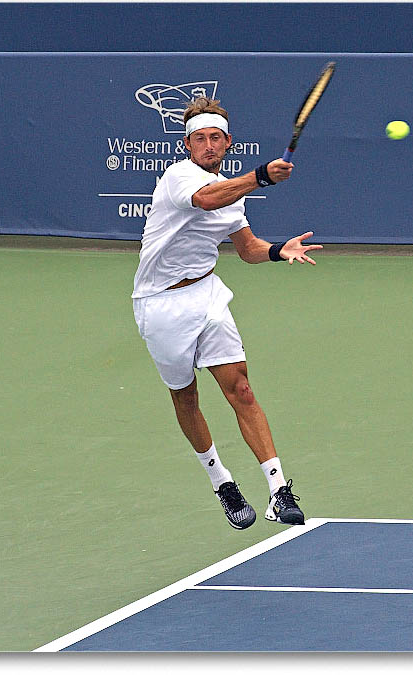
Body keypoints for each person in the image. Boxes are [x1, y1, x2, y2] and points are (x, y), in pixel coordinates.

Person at [131, 97, 322, 529]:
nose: (208, 145)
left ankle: (278, 491)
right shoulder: (180, 177)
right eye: (199, 138)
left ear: (228, 142)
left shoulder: (234, 194)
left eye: (215, 138)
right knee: (186, 397)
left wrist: (277, 251)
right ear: (187, 145)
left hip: (207, 296)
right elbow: (206, 199)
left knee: (241, 390)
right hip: (159, 304)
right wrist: (260, 177)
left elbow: (247, 249)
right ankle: (222, 482)